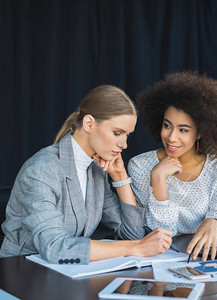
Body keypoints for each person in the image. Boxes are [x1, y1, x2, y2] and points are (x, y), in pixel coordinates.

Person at [0, 85, 173, 264]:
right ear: (89, 124)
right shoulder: (42, 169)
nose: (124, 144)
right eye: (117, 133)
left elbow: (132, 235)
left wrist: (120, 177)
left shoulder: (96, 170)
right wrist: (136, 248)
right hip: (21, 272)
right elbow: (55, 248)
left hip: (66, 275)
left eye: (127, 135)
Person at [129, 72, 217, 262]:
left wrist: (214, 222)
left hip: (206, 264)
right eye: (167, 126)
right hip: (156, 265)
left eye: (183, 130)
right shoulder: (141, 166)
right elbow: (160, 236)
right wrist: (158, 179)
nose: (171, 137)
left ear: (200, 132)